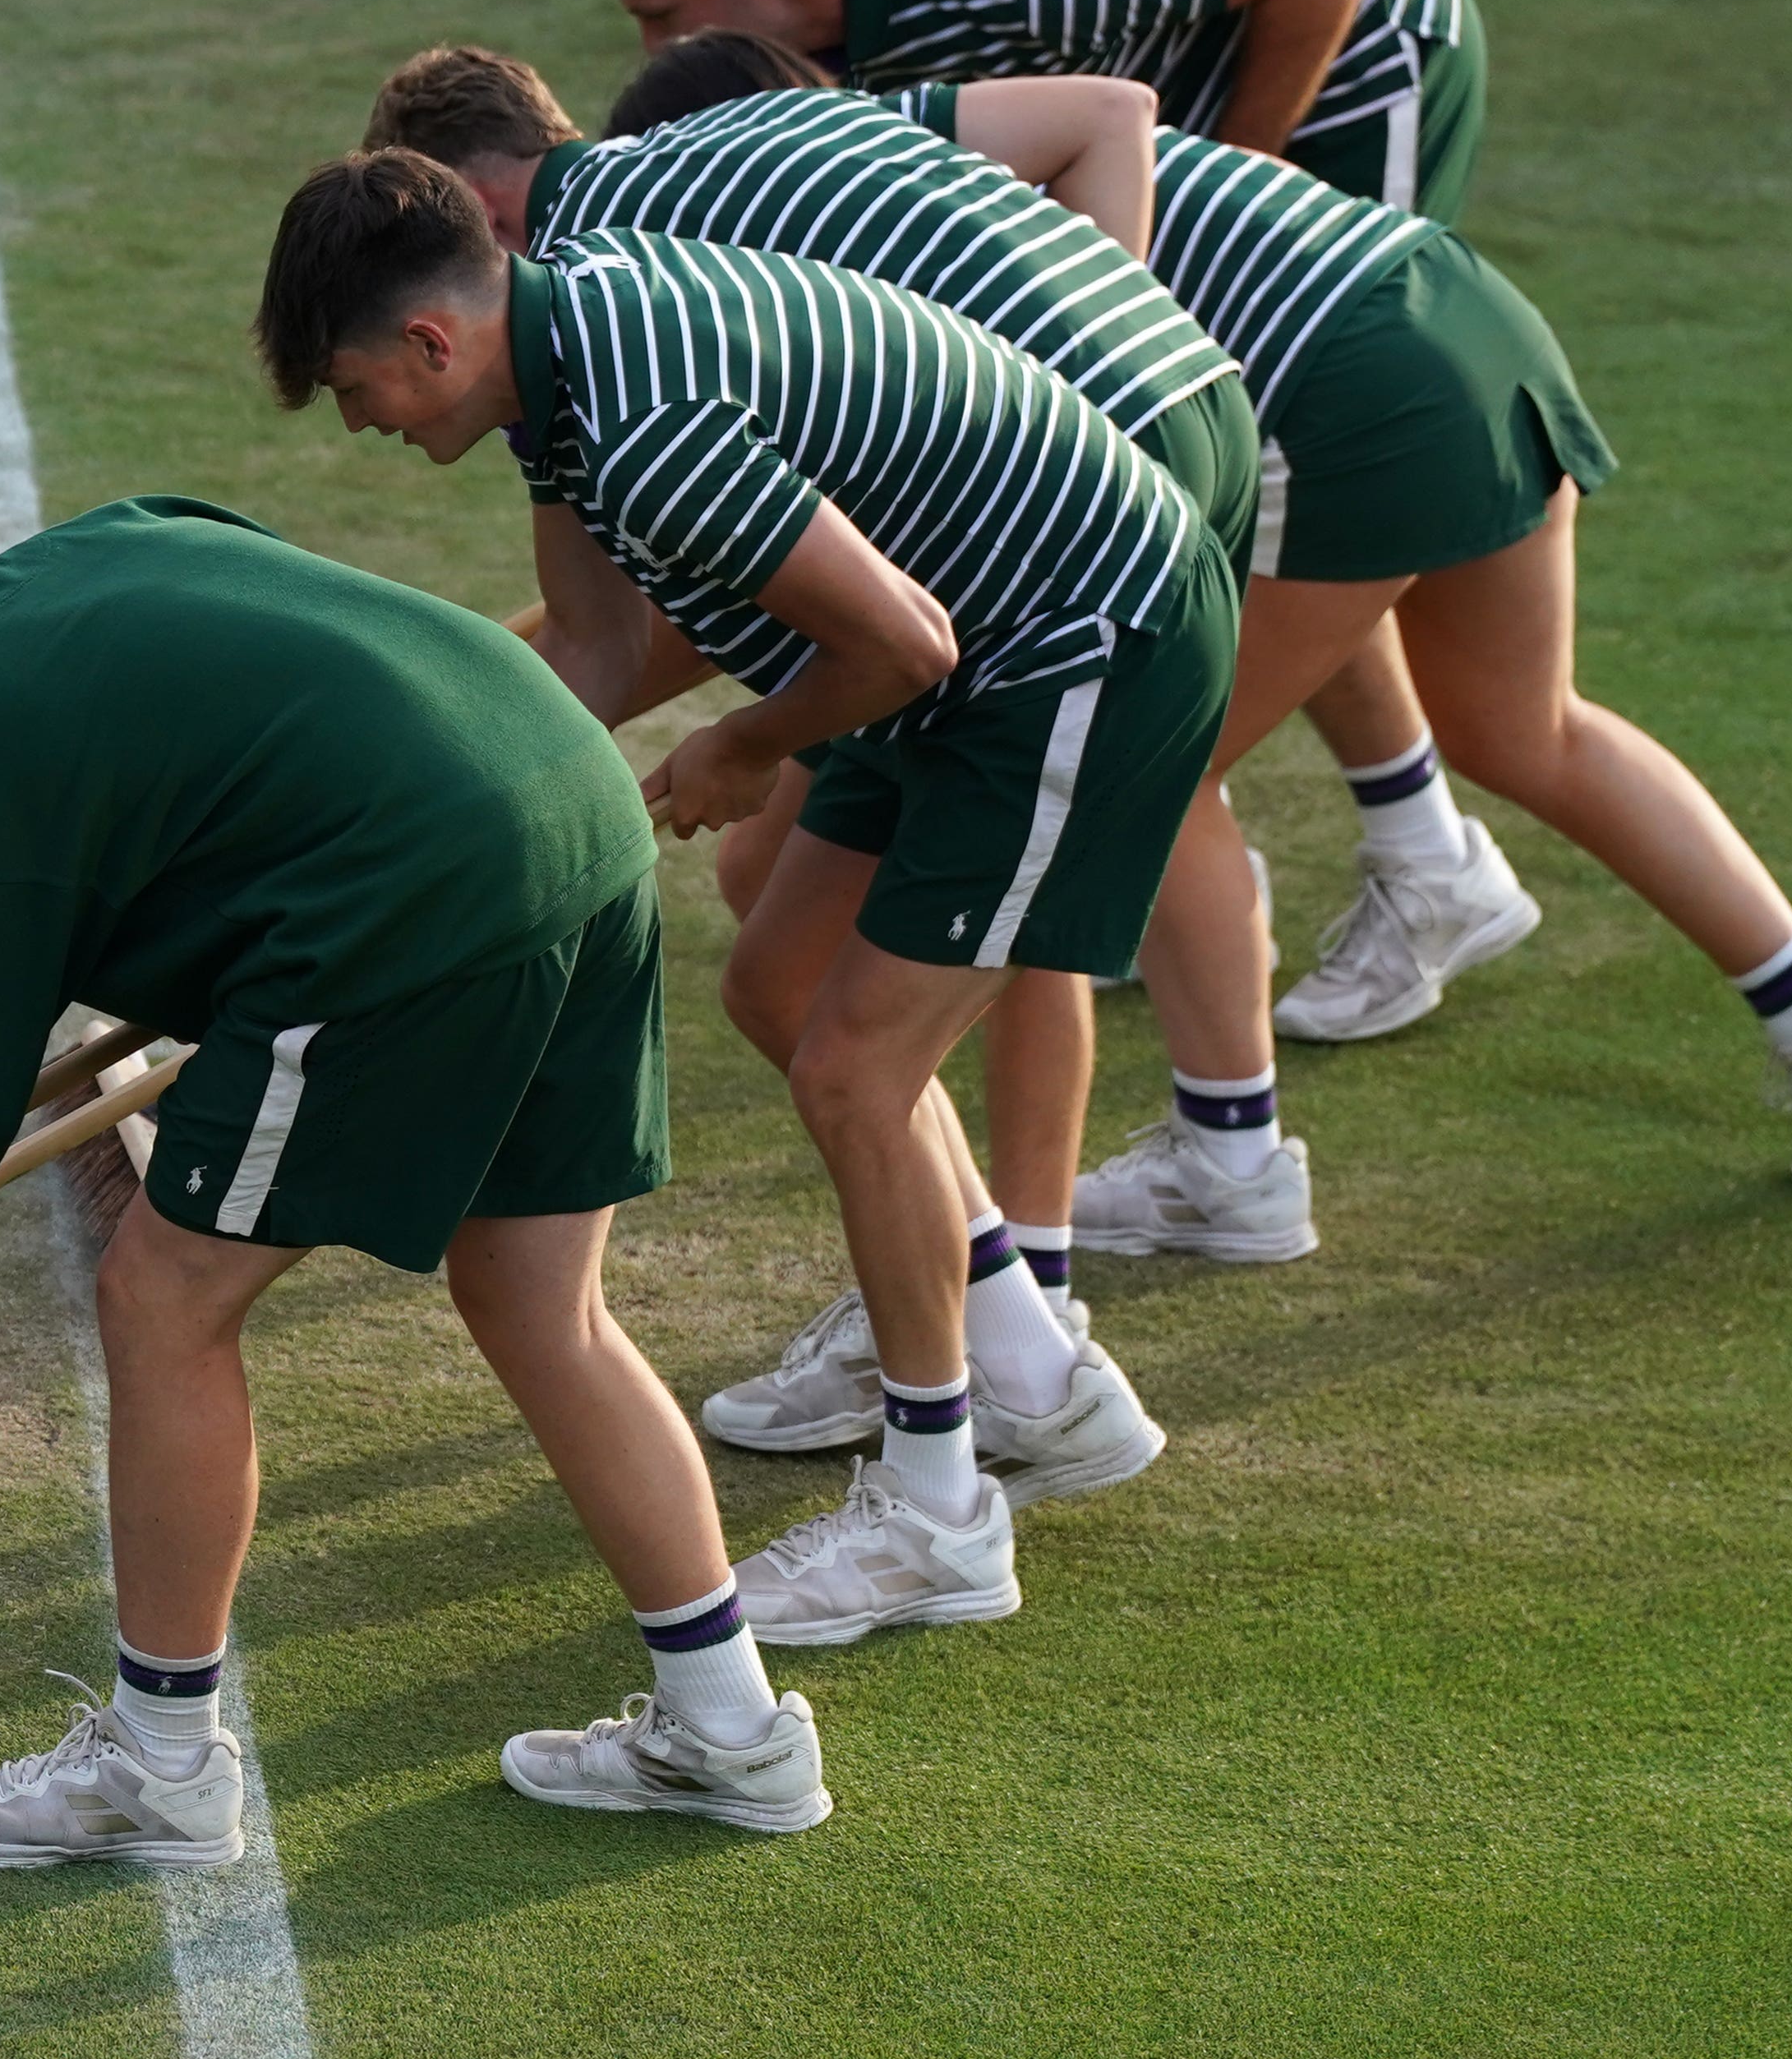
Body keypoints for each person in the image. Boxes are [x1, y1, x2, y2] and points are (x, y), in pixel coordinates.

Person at [626, 36, 1792, 1229]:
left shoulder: (838, 262)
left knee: (1150, 762)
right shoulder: (899, 165)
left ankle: (1230, 1163)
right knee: (1519, 725)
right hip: (1460, 321)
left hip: (1342, 397)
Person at [0, 500, 835, 1853]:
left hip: (415, 890)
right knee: (542, 1306)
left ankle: (159, 1767)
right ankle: (732, 1729)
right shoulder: (87, 549)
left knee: (164, 1299)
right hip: (570, 808)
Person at [258, 152, 1236, 1650]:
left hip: (1073, 645)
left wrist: (742, 743)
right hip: (959, 643)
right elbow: (588, 656)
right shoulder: (555, 381)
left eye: (350, 386)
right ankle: (1038, 1376)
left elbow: (895, 647)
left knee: (858, 1069)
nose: (359, 423)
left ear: (430, 344)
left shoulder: (643, 421)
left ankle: (938, 1517)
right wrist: (432, 827)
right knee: (778, 987)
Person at [563, 0, 1542, 1032]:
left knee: (1278, 509)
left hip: (1353, 67)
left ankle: (1371, 895)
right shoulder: (841, 42)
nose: (659, 55)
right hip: (1156, 133)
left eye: (663, 15)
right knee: (1248, 529)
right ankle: (1415, 843)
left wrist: (1230, 180)